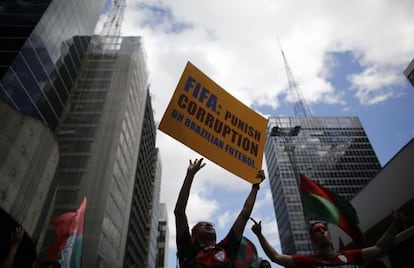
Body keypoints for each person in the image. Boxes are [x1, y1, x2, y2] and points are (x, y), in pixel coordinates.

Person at [175, 158, 265, 267]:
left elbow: (244, 214)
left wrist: (255, 186)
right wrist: (190, 175)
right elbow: (179, 212)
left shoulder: (226, 248)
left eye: (210, 225)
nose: (208, 225)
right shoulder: (188, 250)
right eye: (202, 225)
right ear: (194, 236)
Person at [250, 211, 404, 267]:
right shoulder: (307, 261)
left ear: (329, 235)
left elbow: (379, 249)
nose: (322, 232)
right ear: (313, 240)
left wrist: (395, 225)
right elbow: (276, 257)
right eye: (318, 231)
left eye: (324, 229)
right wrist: (260, 235)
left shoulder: (349, 256)